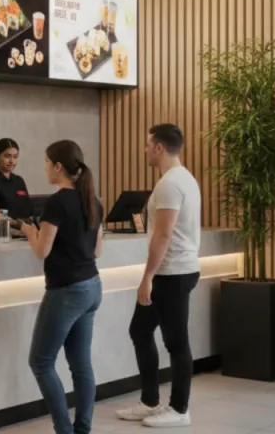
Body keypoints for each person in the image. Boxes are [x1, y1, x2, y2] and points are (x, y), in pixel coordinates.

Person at [116, 124, 201, 428]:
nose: (144, 150)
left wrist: (147, 277)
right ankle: (150, 401)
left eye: (147, 144)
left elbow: (163, 235)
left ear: (159, 148)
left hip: (173, 273)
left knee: (177, 343)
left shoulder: (169, 184)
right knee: (139, 331)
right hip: (172, 271)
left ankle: (179, 409)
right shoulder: (183, 179)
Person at [20, 140, 103, 434]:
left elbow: (42, 250)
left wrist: (31, 231)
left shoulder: (57, 202)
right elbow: (97, 250)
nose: (43, 167)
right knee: (81, 365)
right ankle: (81, 430)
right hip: (92, 286)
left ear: (57, 166)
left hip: (66, 290)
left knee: (40, 362)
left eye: (45, 161)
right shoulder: (94, 199)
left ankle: (64, 431)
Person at [0, 138, 33, 239]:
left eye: (15, 156)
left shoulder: (19, 181)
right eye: (7, 156)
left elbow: (30, 211)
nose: (12, 161)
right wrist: (18, 225)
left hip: (21, 237)